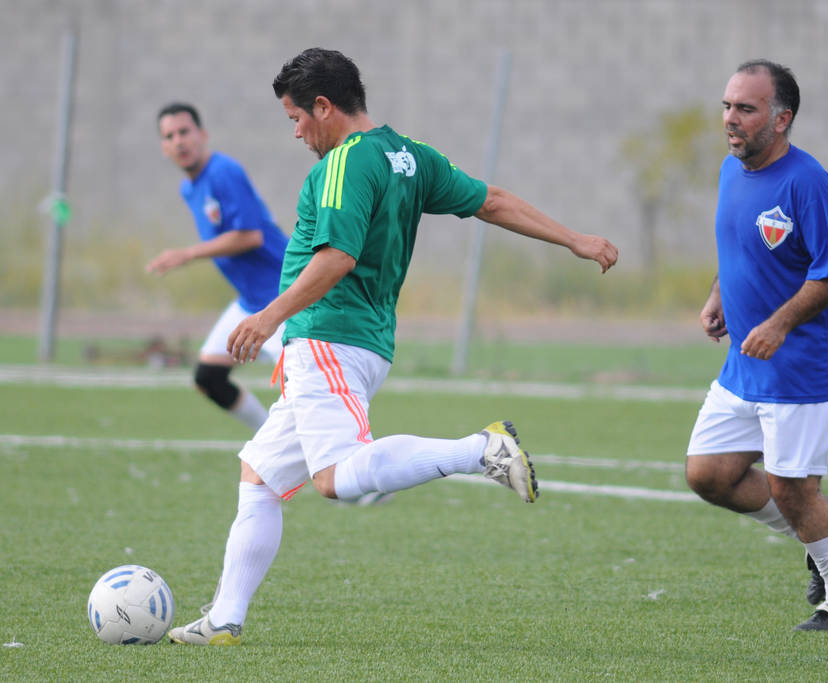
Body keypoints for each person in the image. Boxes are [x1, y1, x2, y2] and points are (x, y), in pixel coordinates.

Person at [168, 48, 618, 646]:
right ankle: (224, 620)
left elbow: (336, 257)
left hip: (329, 337)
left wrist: (266, 317)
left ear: (324, 107)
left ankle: (479, 450)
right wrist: (574, 238)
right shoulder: (407, 155)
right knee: (259, 475)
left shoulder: (341, 165)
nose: (297, 131)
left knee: (334, 479)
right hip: (361, 341)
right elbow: (491, 199)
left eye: (297, 118)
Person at [684, 59, 828, 631]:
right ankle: (827, 529)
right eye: (727, 105)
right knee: (708, 474)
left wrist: (779, 323)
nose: (730, 119)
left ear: (781, 118)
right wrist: (718, 293)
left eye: (746, 108)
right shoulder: (730, 171)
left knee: (793, 490)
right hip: (743, 367)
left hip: (799, 373)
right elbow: (737, 246)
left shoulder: (807, 182)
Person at [149, 103, 290, 431]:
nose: (179, 141)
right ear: (164, 147)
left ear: (202, 134)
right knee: (208, 377)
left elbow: (250, 236)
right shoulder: (190, 187)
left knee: (312, 399)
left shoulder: (223, 171)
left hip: (282, 296)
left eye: (185, 132)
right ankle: (267, 435)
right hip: (249, 300)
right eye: (170, 136)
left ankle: (368, 477)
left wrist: (188, 254)